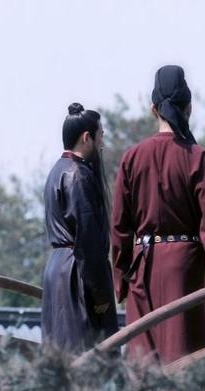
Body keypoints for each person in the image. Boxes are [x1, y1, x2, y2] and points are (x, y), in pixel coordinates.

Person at [111, 65, 205, 365]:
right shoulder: (199, 158)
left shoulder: (131, 158)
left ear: (153, 109)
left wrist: (121, 278)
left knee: (145, 361)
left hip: (143, 268)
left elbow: (120, 227)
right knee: (187, 357)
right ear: (189, 108)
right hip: (186, 270)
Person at [41, 102, 118, 352]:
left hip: (58, 271)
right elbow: (88, 240)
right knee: (89, 355)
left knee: (64, 352)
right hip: (77, 274)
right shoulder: (78, 175)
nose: (102, 143)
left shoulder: (56, 171)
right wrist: (101, 295)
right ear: (87, 138)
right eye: (100, 136)